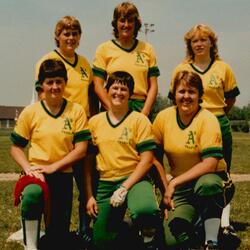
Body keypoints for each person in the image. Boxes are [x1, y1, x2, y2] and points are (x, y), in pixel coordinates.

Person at [168, 24, 240, 248]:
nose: (199, 44)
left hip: (217, 121)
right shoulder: (181, 68)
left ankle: (223, 223)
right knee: (190, 170)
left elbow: (230, 99)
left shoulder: (223, 68)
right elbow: (175, 99)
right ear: (189, 45)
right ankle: (194, 214)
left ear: (212, 43)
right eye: (194, 41)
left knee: (220, 173)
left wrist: (214, 117)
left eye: (204, 40)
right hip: (190, 121)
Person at [10, 59, 90, 250]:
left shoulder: (76, 110)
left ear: (65, 82)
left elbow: (81, 149)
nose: (55, 86)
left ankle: (50, 237)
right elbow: (15, 147)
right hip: (37, 174)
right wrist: (29, 169)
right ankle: (30, 245)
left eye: (59, 81)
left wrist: (54, 167)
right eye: (50, 82)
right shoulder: (31, 112)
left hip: (62, 174)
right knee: (32, 195)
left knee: (58, 237)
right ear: (42, 85)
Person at [153, 70, 235, 250]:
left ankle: (212, 239)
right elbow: (154, 159)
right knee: (172, 241)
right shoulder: (163, 118)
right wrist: (165, 190)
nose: (186, 96)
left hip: (214, 180)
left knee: (207, 185)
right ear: (174, 94)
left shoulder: (208, 119)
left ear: (200, 96)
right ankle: (199, 224)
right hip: (182, 188)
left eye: (192, 92)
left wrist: (173, 184)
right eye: (182, 91)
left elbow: (210, 164)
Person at [34, 16, 97, 243]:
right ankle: (50, 233)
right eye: (66, 33)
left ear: (79, 37)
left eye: (74, 34)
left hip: (80, 130)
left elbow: (91, 97)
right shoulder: (48, 60)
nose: (70, 38)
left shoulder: (84, 64)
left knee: (87, 182)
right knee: (55, 188)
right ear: (57, 36)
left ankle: (83, 230)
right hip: (59, 134)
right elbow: (43, 97)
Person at [85, 71, 161, 250]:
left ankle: (149, 237)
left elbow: (147, 160)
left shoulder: (139, 120)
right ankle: (127, 229)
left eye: (123, 89)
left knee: (145, 210)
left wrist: (125, 187)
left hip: (135, 179)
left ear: (130, 93)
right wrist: (89, 195)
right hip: (106, 182)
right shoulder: (95, 122)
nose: (119, 92)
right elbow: (87, 162)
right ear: (107, 90)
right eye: (115, 87)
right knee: (102, 242)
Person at [93, 1, 160, 117]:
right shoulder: (104, 49)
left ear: (136, 24)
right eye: (122, 20)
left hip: (140, 107)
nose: (126, 25)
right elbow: (98, 85)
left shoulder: (147, 49)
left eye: (130, 21)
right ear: (115, 23)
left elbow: (153, 85)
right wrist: (112, 110)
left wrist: (145, 112)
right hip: (113, 105)